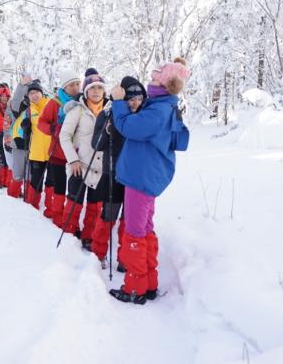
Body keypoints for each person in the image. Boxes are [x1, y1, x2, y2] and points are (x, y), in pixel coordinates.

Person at [108, 59, 190, 304]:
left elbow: (128, 127)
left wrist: (118, 102)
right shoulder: (164, 106)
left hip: (141, 177)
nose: (149, 83)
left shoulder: (159, 110)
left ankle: (135, 287)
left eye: (154, 80)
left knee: (134, 232)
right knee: (143, 229)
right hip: (146, 176)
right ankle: (147, 282)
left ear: (166, 85)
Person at [91, 76, 146, 267]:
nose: (135, 103)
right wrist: (106, 132)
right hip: (112, 172)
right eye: (131, 99)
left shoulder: (143, 118)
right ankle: (98, 253)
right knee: (108, 215)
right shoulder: (107, 115)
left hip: (134, 177)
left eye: (139, 99)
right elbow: (96, 145)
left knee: (129, 218)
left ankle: (125, 257)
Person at [59, 68, 108, 245]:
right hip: (79, 165)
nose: (96, 92)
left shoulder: (110, 111)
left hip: (100, 168)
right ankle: (69, 234)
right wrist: (73, 159)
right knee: (74, 202)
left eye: (99, 88)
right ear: (86, 91)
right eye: (92, 88)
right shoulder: (77, 110)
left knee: (95, 206)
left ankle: (89, 236)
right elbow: (64, 136)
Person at [37, 69, 81, 225]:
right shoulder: (54, 103)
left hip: (77, 154)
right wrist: (53, 129)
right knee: (59, 186)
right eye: (71, 85)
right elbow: (41, 123)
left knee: (74, 188)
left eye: (77, 84)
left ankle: (69, 217)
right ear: (64, 87)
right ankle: (56, 216)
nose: (75, 88)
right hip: (57, 152)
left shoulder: (82, 101)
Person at [23, 80, 51, 208]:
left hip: (52, 151)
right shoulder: (28, 110)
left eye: (36, 92)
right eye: (31, 93)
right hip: (36, 151)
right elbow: (21, 131)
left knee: (52, 181)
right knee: (36, 180)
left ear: (42, 93)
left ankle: (50, 208)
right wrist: (25, 128)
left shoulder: (51, 105)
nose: (34, 95)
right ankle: (32, 205)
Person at [5, 74, 33, 198]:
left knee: (30, 174)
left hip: (34, 145)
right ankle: (13, 195)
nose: (32, 95)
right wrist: (21, 85)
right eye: (30, 93)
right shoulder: (19, 105)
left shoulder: (40, 106)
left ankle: (29, 199)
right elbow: (16, 99)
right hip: (19, 143)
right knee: (17, 172)